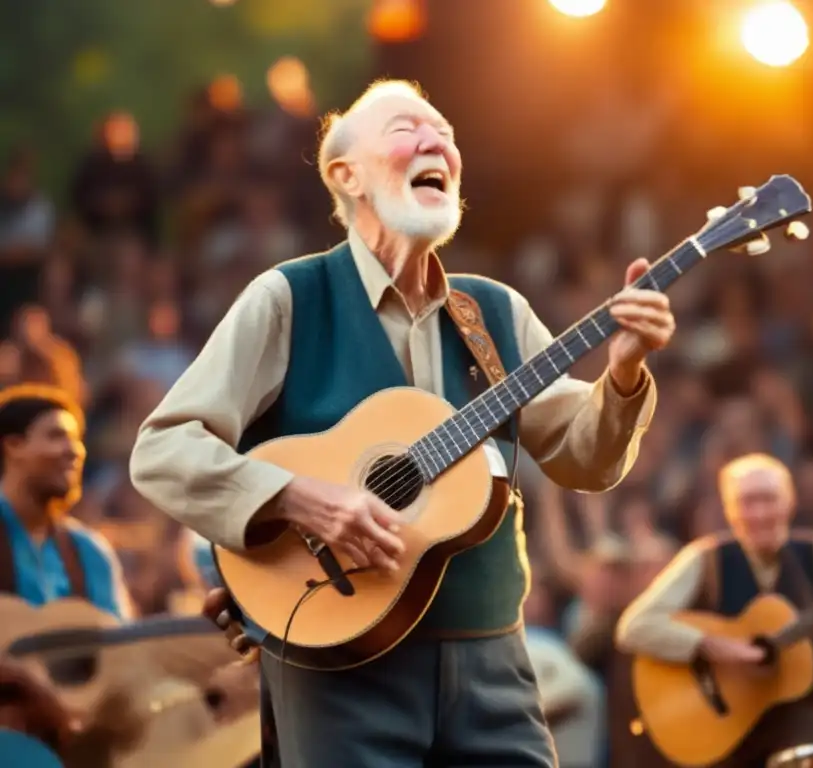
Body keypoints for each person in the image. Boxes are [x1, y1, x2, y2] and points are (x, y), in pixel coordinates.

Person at [128, 78, 711, 768]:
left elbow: (585, 461)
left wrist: (622, 375)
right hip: (337, 664)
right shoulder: (289, 298)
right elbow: (163, 449)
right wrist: (298, 497)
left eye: (448, 136)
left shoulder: (493, 311)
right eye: (408, 129)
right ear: (348, 176)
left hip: (491, 653)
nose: (439, 142)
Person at [615, 452, 813, 768]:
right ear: (729, 510)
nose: (759, 513)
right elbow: (634, 626)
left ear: (789, 502)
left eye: (768, 499)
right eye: (748, 502)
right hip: (727, 726)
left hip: (811, 721)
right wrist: (714, 646)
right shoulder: (704, 558)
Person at [0, 384, 133, 757]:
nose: (74, 451)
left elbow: (121, 649)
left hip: (76, 732)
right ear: (13, 447)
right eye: (57, 435)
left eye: (77, 439)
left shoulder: (89, 551)